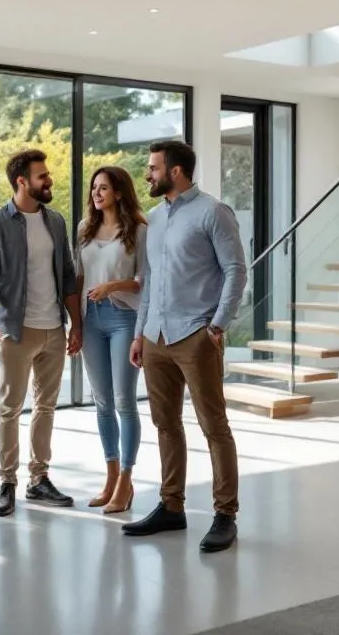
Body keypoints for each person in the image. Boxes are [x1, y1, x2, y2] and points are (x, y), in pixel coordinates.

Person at [123, 140, 247, 553]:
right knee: (165, 424)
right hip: (156, 335)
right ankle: (171, 506)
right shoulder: (155, 219)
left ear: (175, 171)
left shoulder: (213, 212)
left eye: (153, 167)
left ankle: (225, 514)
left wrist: (217, 326)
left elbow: (235, 271)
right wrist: (140, 333)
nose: (148, 174)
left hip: (196, 334)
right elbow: (150, 281)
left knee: (214, 427)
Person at [0, 149, 83, 517]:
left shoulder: (56, 222)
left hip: (54, 327)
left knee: (46, 407)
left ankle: (39, 479)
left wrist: (75, 324)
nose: (49, 180)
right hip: (15, 332)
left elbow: (67, 275)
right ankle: (7, 482)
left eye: (48, 175)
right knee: (10, 408)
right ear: (21, 181)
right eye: (42, 176)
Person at [75, 165, 147, 514]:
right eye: (94, 188)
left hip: (123, 318)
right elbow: (78, 278)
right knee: (101, 402)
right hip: (91, 321)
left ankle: (126, 481)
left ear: (119, 192)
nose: (96, 193)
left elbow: (144, 281)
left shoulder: (138, 230)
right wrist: (73, 324)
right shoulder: (84, 230)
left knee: (124, 401)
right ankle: (111, 475)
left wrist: (112, 286)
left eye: (103, 187)